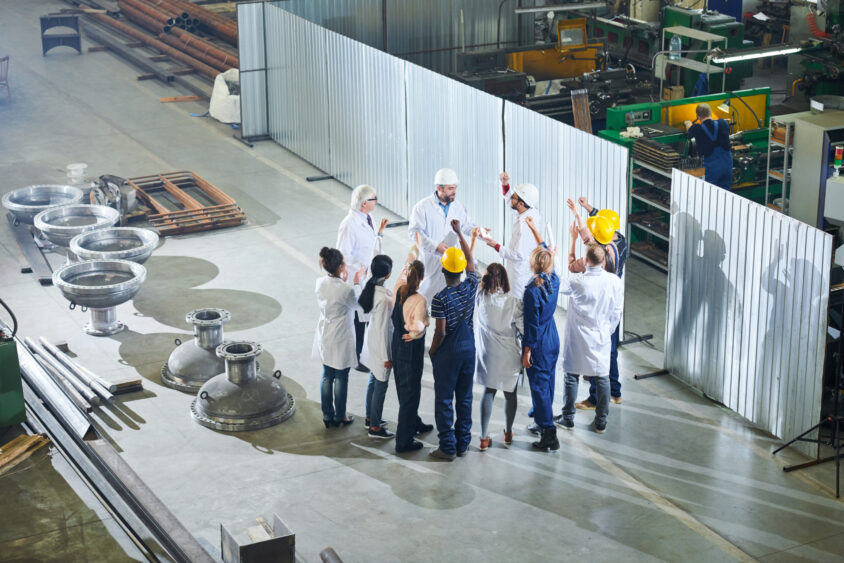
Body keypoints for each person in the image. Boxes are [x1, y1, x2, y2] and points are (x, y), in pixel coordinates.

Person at [555, 230, 624, 434]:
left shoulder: (578, 282)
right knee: (602, 377)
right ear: (603, 262)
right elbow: (617, 311)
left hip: (577, 338)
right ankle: (601, 420)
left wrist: (555, 255)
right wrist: (607, 330)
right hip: (601, 336)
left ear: (585, 261)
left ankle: (568, 417)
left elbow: (557, 282)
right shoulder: (614, 282)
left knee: (571, 375)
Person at [569, 197, 628, 408]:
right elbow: (601, 229)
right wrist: (587, 209)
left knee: (596, 354)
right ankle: (616, 392)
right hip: (612, 306)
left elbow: (578, 258)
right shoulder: (620, 241)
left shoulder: (599, 259)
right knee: (610, 350)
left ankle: (594, 398)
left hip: (598, 310)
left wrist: (574, 234)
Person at [429, 220, 478, 460]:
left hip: (449, 353)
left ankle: (447, 446)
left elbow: (441, 331)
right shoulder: (471, 286)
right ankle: (463, 444)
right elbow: (471, 262)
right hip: (469, 349)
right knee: (465, 398)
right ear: (460, 272)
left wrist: (432, 351)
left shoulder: (439, 299)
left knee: (445, 399)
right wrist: (460, 233)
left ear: (443, 271)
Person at [336, 184, 389, 372]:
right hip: (357, 279)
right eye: (374, 199)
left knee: (367, 318)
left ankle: (365, 352)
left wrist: (380, 233)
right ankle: (357, 357)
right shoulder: (349, 225)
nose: (376, 202)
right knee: (359, 320)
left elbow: (371, 241)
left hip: (369, 277)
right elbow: (342, 255)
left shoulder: (368, 217)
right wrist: (361, 270)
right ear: (365, 203)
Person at [313, 247, 366, 428]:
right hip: (341, 334)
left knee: (327, 375)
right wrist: (357, 283)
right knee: (341, 376)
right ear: (341, 267)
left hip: (325, 332)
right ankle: (340, 415)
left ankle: (328, 415)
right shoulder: (347, 289)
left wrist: (342, 281)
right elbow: (359, 305)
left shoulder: (320, 283)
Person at [408, 168, 475, 305]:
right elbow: (414, 232)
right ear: (439, 188)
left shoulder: (459, 207)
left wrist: (476, 230)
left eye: (455, 188)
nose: (454, 191)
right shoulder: (422, 207)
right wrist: (435, 246)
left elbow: (466, 226)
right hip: (430, 261)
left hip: (451, 265)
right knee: (422, 304)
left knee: (449, 305)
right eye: (450, 188)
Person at [475, 263, 523, 451]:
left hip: (488, 355)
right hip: (509, 354)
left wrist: (468, 239)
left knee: (489, 392)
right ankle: (508, 433)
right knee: (511, 394)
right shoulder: (513, 303)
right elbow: (524, 329)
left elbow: (473, 270)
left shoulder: (480, 297)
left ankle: (483, 437)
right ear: (504, 279)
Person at [391, 246, 434, 453]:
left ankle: (413, 421)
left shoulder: (398, 288)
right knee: (411, 393)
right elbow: (417, 326)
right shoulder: (419, 300)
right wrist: (422, 326)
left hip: (396, 344)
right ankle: (403, 441)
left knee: (403, 388)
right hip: (410, 348)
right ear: (423, 278)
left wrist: (413, 252)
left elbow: (405, 265)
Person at [522, 245, 561, 450]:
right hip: (553, 336)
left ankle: (548, 433)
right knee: (548, 383)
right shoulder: (554, 280)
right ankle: (541, 420)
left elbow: (531, 325)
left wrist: (527, 351)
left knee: (538, 387)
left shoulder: (532, 291)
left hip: (539, 343)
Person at [479, 172, 543, 299]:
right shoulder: (530, 210)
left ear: (521, 204)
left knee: (516, 304)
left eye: (514, 197)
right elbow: (511, 205)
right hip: (519, 269)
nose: (511, 199)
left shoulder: (525, 227)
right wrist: (505, 185)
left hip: (519, 273)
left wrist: (495, 245)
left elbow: (518, 254)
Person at [359, 254, 395, 439]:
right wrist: (387, 357)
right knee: (380, 385)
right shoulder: (384, 298)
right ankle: (375, 427)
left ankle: (369, 417)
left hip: (370, 340)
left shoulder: (370, 285)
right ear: (388, 274)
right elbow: (383, 330)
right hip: (380, 344)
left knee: (373, 380)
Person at [684, 103, 733, 190]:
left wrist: (687, 122)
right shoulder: (723, 123)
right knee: (725, 195)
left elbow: (689, 129)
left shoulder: (697, 129)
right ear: (710, 113)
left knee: (710, 194)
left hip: (712, 168)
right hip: (727, 165)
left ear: (698, 116)